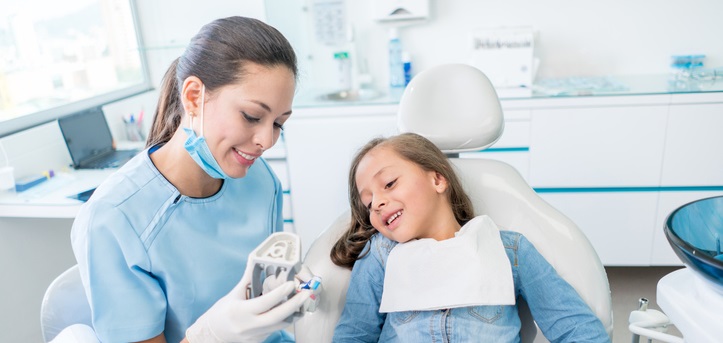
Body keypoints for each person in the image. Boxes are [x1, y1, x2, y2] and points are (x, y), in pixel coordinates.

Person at [71, 16, 312, 343]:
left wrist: (291, 288)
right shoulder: (114, 219)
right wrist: (209, 336)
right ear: (194, 97)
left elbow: (264, 291)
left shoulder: (260, 181)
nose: (266, 141)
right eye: (252, 116)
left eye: (278, 123)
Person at [330, 133, 610, 342]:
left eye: (389, 183)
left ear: (438, 179)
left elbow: (576, 329)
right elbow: (355, 334)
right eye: (368, 203)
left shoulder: (508, 250)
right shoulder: (380, 256)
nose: (377, 203)